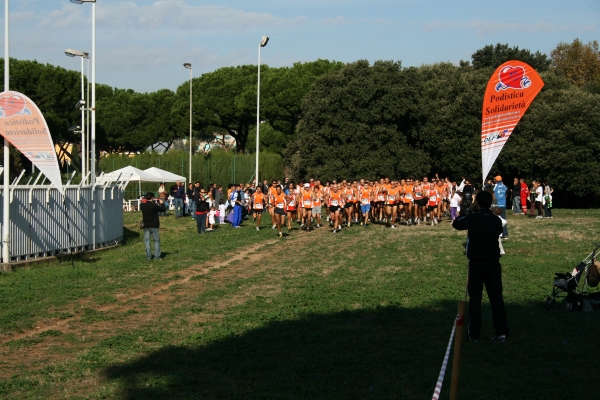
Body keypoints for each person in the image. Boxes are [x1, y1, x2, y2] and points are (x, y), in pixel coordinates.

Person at [452, 190, 509, 343]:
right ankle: (501, 331)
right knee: (496, 298)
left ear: (477, 202)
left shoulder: (473, 217)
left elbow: (456, 223)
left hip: (476, 263)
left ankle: (474, 334)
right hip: (493, 263)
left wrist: (469, 210)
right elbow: (497, 229)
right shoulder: (496, 220)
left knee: (475, 299)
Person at [140, 191, 166, 260]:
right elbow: (163, 209)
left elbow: (141, 204)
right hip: (154, 225)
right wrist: (162, 203)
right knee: (156, 241)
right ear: (152, 198)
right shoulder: (154, 205)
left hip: (146, 225)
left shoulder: (143, 206)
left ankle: (148, 256)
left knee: (147, 241)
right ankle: (156, 256)